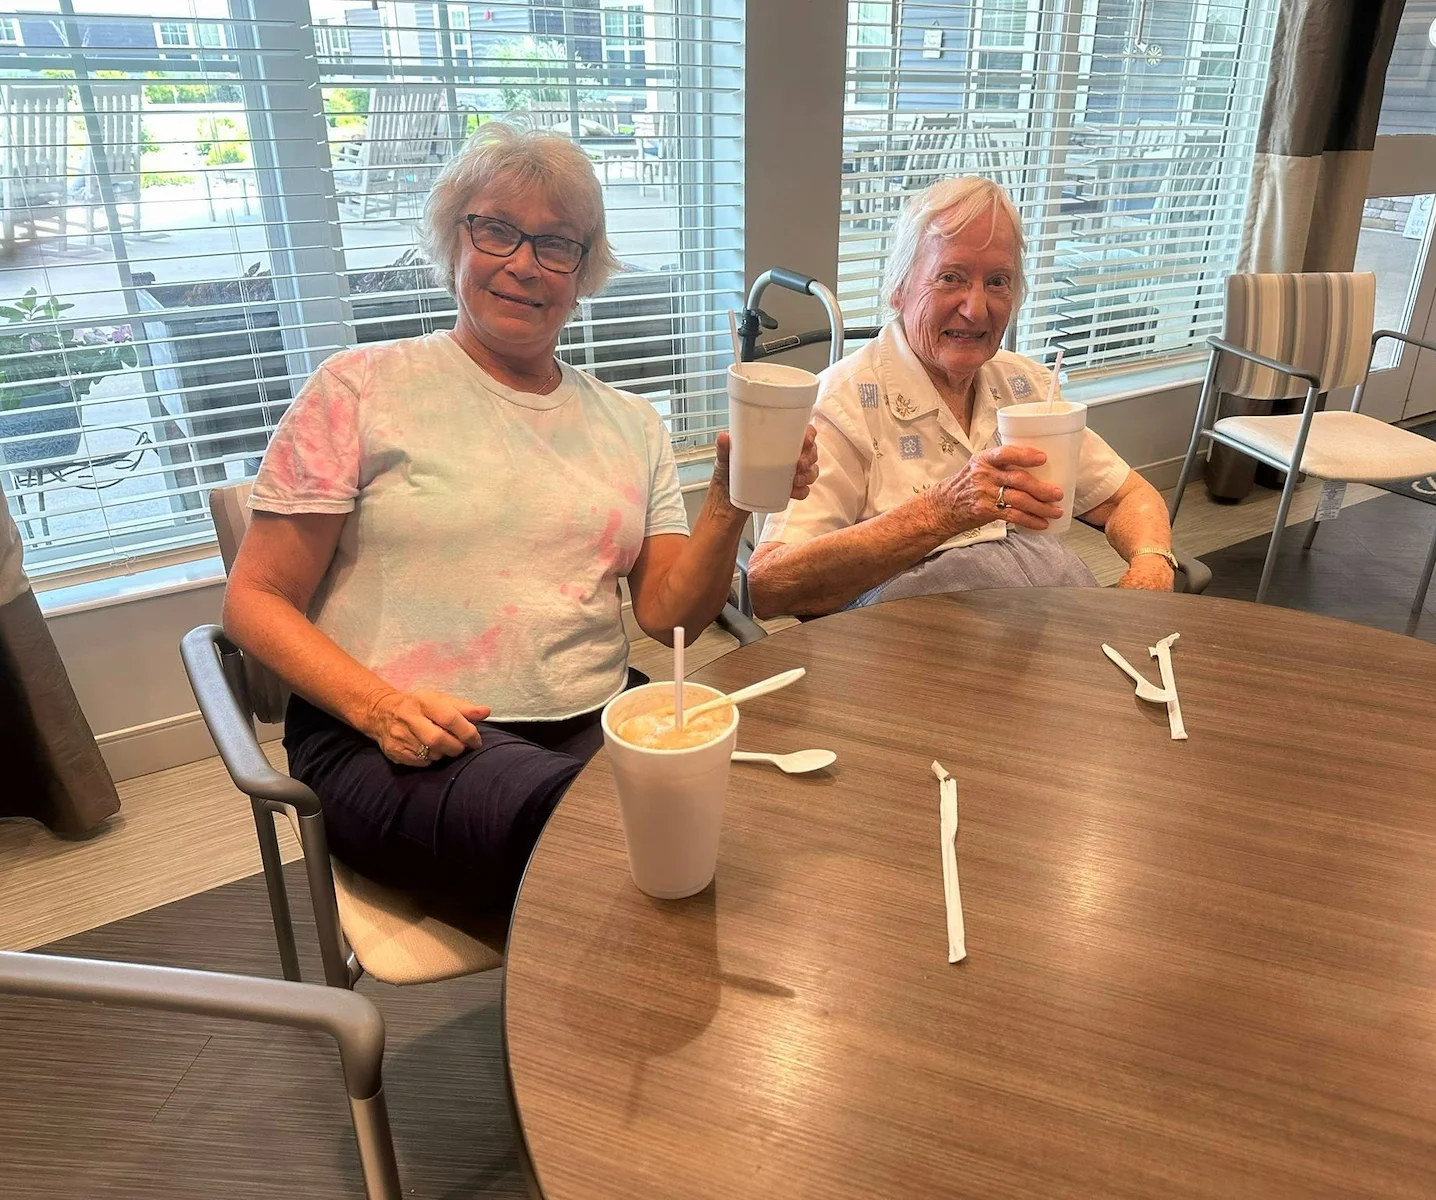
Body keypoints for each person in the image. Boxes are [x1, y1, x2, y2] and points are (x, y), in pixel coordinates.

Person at [223, 120, 817, 912]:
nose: (523, 265)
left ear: (583, 269)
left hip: (590, 718)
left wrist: (729, 499)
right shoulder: (361, 388)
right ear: (454, 241)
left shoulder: (630, 423)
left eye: (556, 244)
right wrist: (380, 706)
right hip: (395, 737)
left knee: (742, 822)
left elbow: (670, 614)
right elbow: (253, 599)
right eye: (497, 230)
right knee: (614, 842)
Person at [747, 176, 1175, 618]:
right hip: (922, 653)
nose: (976, 308)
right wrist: (941, 512)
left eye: (997, 282)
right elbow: (772, 584)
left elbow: (1129, 496)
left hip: (1050, 630)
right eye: (950, 277)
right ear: (899, 287)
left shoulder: (1026, 388)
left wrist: (1151, 564)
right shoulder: (843, 404)